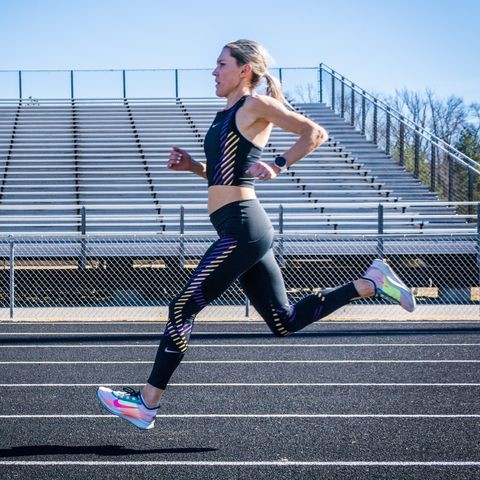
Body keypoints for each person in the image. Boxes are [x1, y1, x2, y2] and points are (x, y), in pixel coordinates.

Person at [97, 39, 416, 430]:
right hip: (238, 227)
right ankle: (370, 283)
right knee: (284, 321)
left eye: (221, 64)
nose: (214, 71)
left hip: (244, 227)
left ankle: (147, 403)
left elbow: (315, 133)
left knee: (182, 307)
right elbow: (223, 175)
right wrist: (194, 166)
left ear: (244, 70)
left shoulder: (254, 104)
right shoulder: (224, 114)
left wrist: (278, 165)